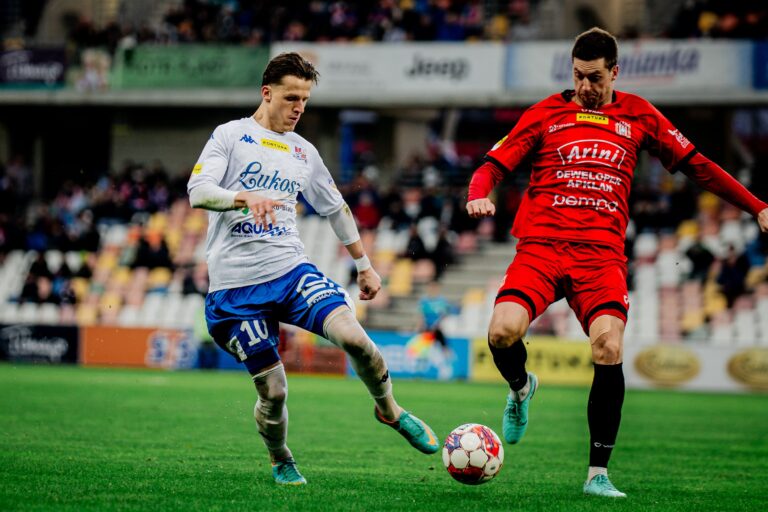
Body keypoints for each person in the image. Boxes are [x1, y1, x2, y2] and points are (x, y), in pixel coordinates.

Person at [465, 27, 768, 498]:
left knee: (608, 346)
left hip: (601, 258)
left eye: (596, 77)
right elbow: (492, 164)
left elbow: (699, 164)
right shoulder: (545, 113)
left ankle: (597, 475)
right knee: (502, 331)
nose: (586, 86)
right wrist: (477, 194)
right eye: (579, 76)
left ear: (614, 73)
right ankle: (522, 387)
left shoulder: (640, 115)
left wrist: (757, 206)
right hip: (541, 248)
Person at [187, 52, 439, 486]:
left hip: (291, 271)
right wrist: (244, 198)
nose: (298, 107)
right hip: (234, 292)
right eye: (290, 98)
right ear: (266, 94)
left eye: (304, 99)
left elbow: (336, 208)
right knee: (275, 390)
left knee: (356, 341)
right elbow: (198, 191)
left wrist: (364, 265)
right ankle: (280, 456)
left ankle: (389, 409)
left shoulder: (304, 152)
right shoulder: (229, 136)